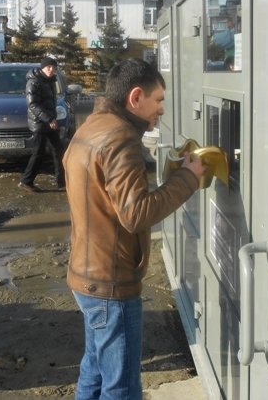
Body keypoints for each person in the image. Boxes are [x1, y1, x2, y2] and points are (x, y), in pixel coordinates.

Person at [63, 58, 207, 399]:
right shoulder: (121, 139)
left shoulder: (92, 126)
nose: (161, 110)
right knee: (122, 387)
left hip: (86, 276)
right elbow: (136, 213)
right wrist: (189, 178)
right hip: (111, 283)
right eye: (158, 101)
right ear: (136, 97)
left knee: (94, 371)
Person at [19, 56, 66, 192]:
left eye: (54, 67)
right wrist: (49, 119)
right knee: (38, 153)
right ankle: (26, 181)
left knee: (58, 151)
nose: (51, 70)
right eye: (48, 67)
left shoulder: (50, 81)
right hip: (40, 123)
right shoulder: (34, 82)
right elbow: (33, 104)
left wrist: (52, 119)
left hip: (49, 121)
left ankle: (62, 182)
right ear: (42, 68)